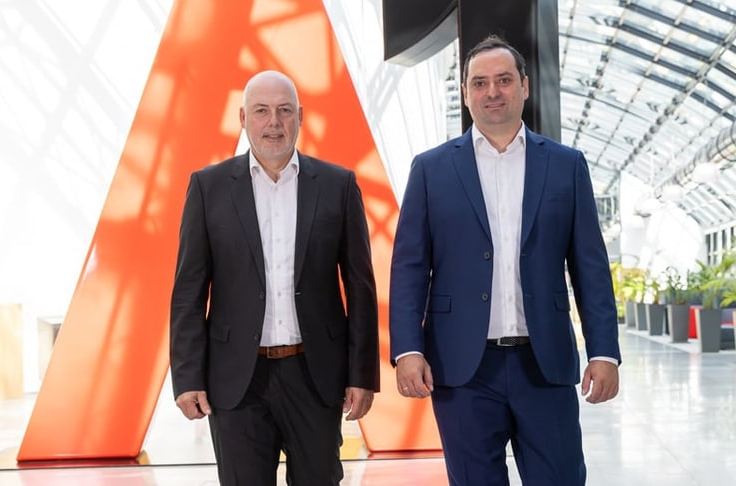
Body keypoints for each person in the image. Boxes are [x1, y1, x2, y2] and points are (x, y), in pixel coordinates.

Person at [389, 35, 621, 485]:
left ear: (525, 87)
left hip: (544, 363)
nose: (492, 91)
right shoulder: (431, 169)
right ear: (465, 93)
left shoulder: (566, 165)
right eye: (479, 83)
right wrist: (408, 349)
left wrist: (604, 351)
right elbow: (409, 268)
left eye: (504, 80)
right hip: (462, 370)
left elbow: (590, 266)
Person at [169, 70, 379, 486]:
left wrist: (361, 374)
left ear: (300, 116)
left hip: (315, 375)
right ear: (243, 118)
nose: (274, 122)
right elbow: (188, 292)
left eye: (284, 111)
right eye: (261, 111)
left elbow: (360, 287)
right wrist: (188, 377)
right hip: (236, 381)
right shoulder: (208, 188)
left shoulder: (338, 185)